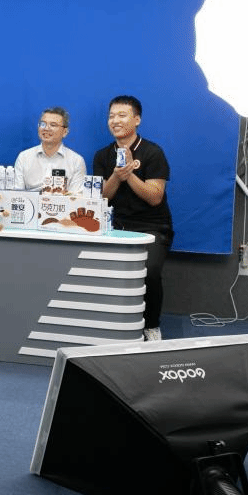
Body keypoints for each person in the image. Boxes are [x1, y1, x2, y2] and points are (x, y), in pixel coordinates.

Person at [91, 95, 173, 342]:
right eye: (111, 116)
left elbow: (155, 197)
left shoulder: (152, 152)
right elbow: (101, 198)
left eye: (122, 115)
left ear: (137, 120)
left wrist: (130, 175)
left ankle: (151, 325)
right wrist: (117, 176)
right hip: (114, 225)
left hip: (152, 227)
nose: (115, 120)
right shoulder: (102, 155)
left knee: (150, 272)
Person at [13, 106, 86, 193]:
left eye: (53, 125)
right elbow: (17, 194)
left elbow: (75, 197)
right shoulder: (24, 157)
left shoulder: (76, 161)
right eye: (43, 124)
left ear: (65, 132)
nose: (46, 128)